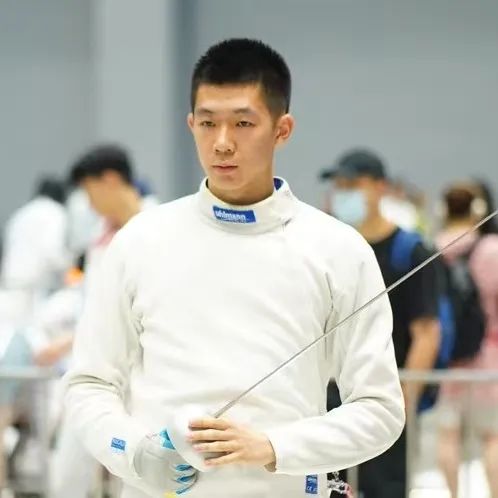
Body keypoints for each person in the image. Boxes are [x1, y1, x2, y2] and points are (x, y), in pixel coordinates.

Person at [65, 38, 404, 498]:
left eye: (243, 123)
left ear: (282, 129)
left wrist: (274, 447)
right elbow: (89, 383)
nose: (222, 143)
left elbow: (380, 409)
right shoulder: (139, 242)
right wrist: (134, 454)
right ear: (191, 125)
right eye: (208, 123)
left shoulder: (339, 250)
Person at [323, 149, 440, 498]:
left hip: (385, 398)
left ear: (379, 187)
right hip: (331, 399)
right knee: (332, 488)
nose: (344, 193)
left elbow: (426, 331)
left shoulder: (410, 251)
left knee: (385, 488)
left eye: (352, 185)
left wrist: (404, 400)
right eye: (339, 186)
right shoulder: (331, 249)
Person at [51, 144, 156, 498]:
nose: (89, 203)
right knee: (68, 475)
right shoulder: (98, 240)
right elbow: (93, 312)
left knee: (144, 476)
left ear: (110, 180)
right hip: (97, 372)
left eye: (89, 191)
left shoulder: (160, 231)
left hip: (146, 373)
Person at [436, 180, 498, 498]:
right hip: (488, 353)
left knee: (448, 435)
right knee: (492, 437)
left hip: (448, 357)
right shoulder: (490, 249)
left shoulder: (434, 247)